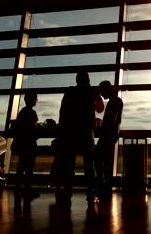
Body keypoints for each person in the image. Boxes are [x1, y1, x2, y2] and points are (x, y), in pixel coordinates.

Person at [54, 71, 104, 208]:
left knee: (69, 162)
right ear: (88, 79)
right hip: (87, 132)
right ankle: (90, 191)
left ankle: (68, 188)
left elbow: (63, 112)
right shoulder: (91, 92)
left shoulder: (69, 92)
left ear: (76, 80)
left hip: (70, 132)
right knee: (89, 163)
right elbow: (100, 109)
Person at [94, 80, 123, 201]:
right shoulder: (115, 101)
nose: (101, 95)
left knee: (98, 159)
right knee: (106, 161)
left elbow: (111, 120)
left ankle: (103, 184)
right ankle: (105, 185)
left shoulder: (114, 102)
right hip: (110, 135)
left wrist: (102, 127)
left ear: (107, 89)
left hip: (107, 135)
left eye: (102, 92)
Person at [13, 92, 39, 194]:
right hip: (30, 143)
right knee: (29, 167)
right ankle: (27, 188)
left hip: (22, 142)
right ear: (32, 100)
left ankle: (18, 187)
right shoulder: (32, 113)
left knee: (21, 165)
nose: (36, 101)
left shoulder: (22, 112)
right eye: (35, 99)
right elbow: (35, 129)